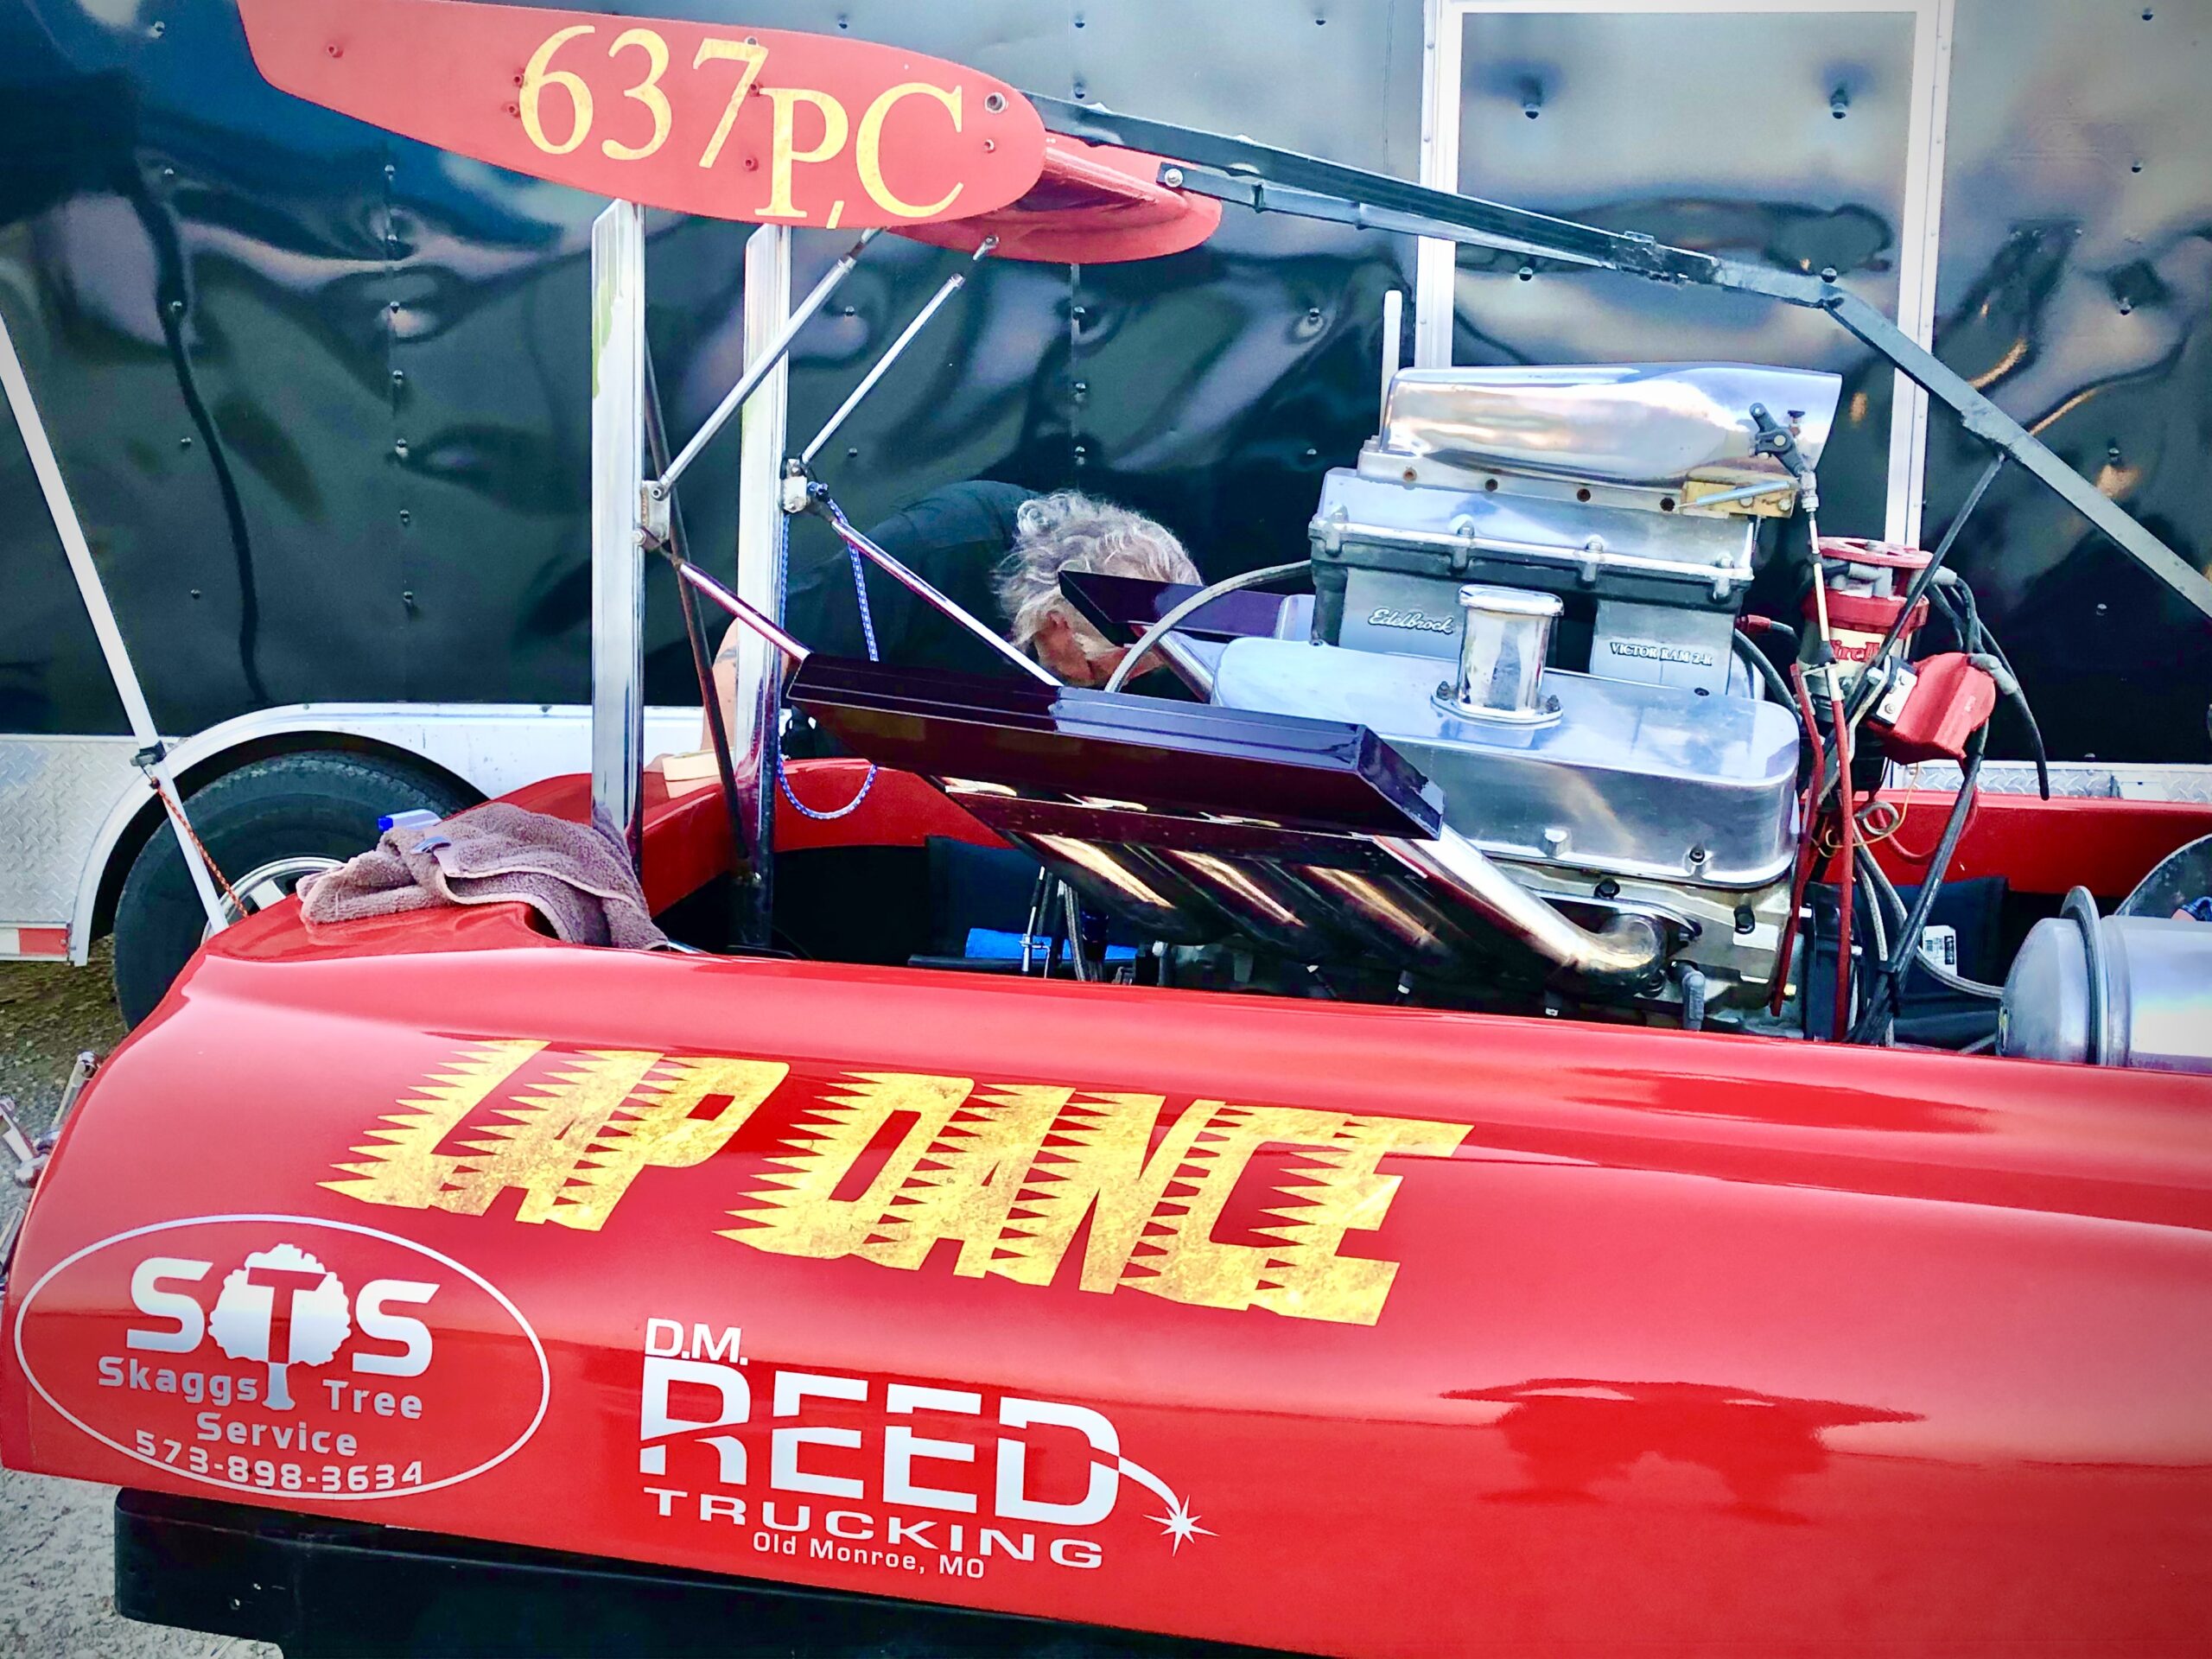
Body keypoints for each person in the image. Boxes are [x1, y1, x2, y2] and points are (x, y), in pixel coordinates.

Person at [707, 483, 1198, 739]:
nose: (1113, 688)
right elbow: (756, 638)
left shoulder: (1145, 625)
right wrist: (725, 799)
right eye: (1099, 671)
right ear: (1056, 621)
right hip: (874, 786)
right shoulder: (938, 547)